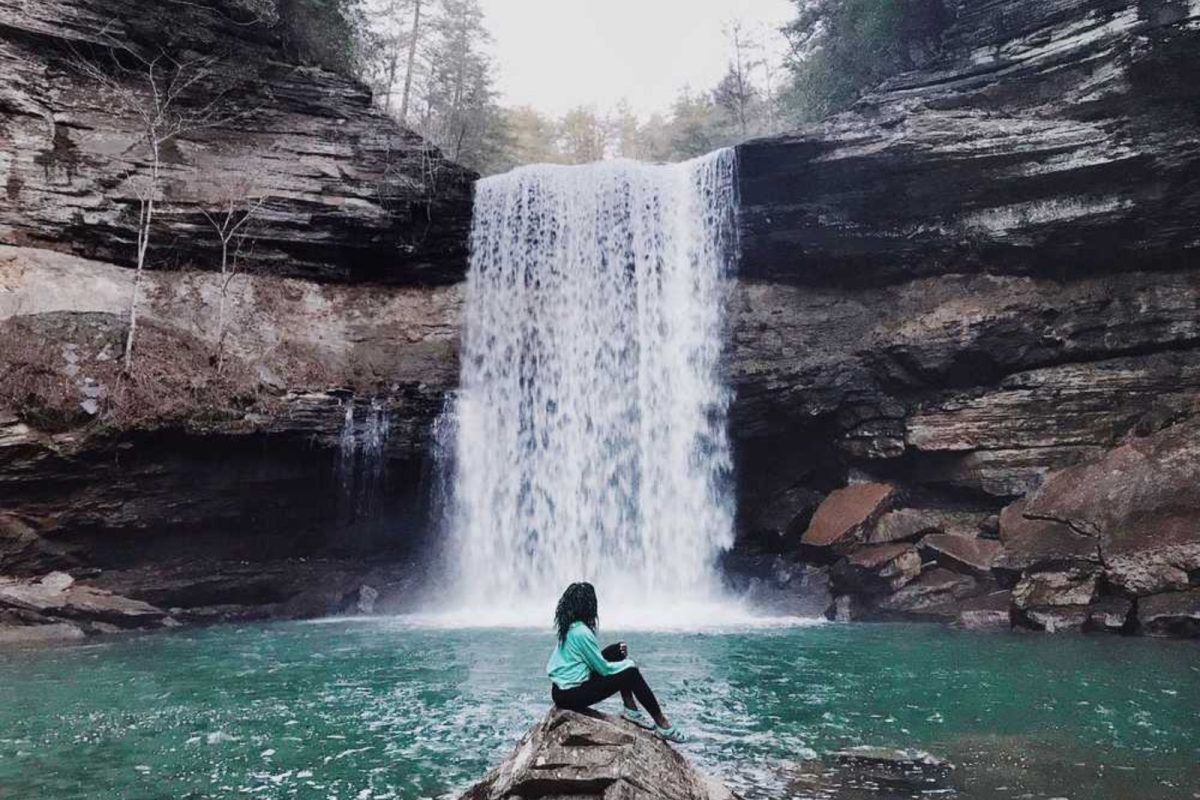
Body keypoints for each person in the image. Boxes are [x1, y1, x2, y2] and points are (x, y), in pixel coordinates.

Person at [545, 581, 686, 743]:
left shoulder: (570, 628)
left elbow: (593, 661)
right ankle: (663, 725)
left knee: (617, 652)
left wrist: (616, 653)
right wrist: (629, 665)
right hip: (571, 695)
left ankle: (631, 711)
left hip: (561, 691)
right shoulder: (582, 633)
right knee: (630, 673)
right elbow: (604, 670)